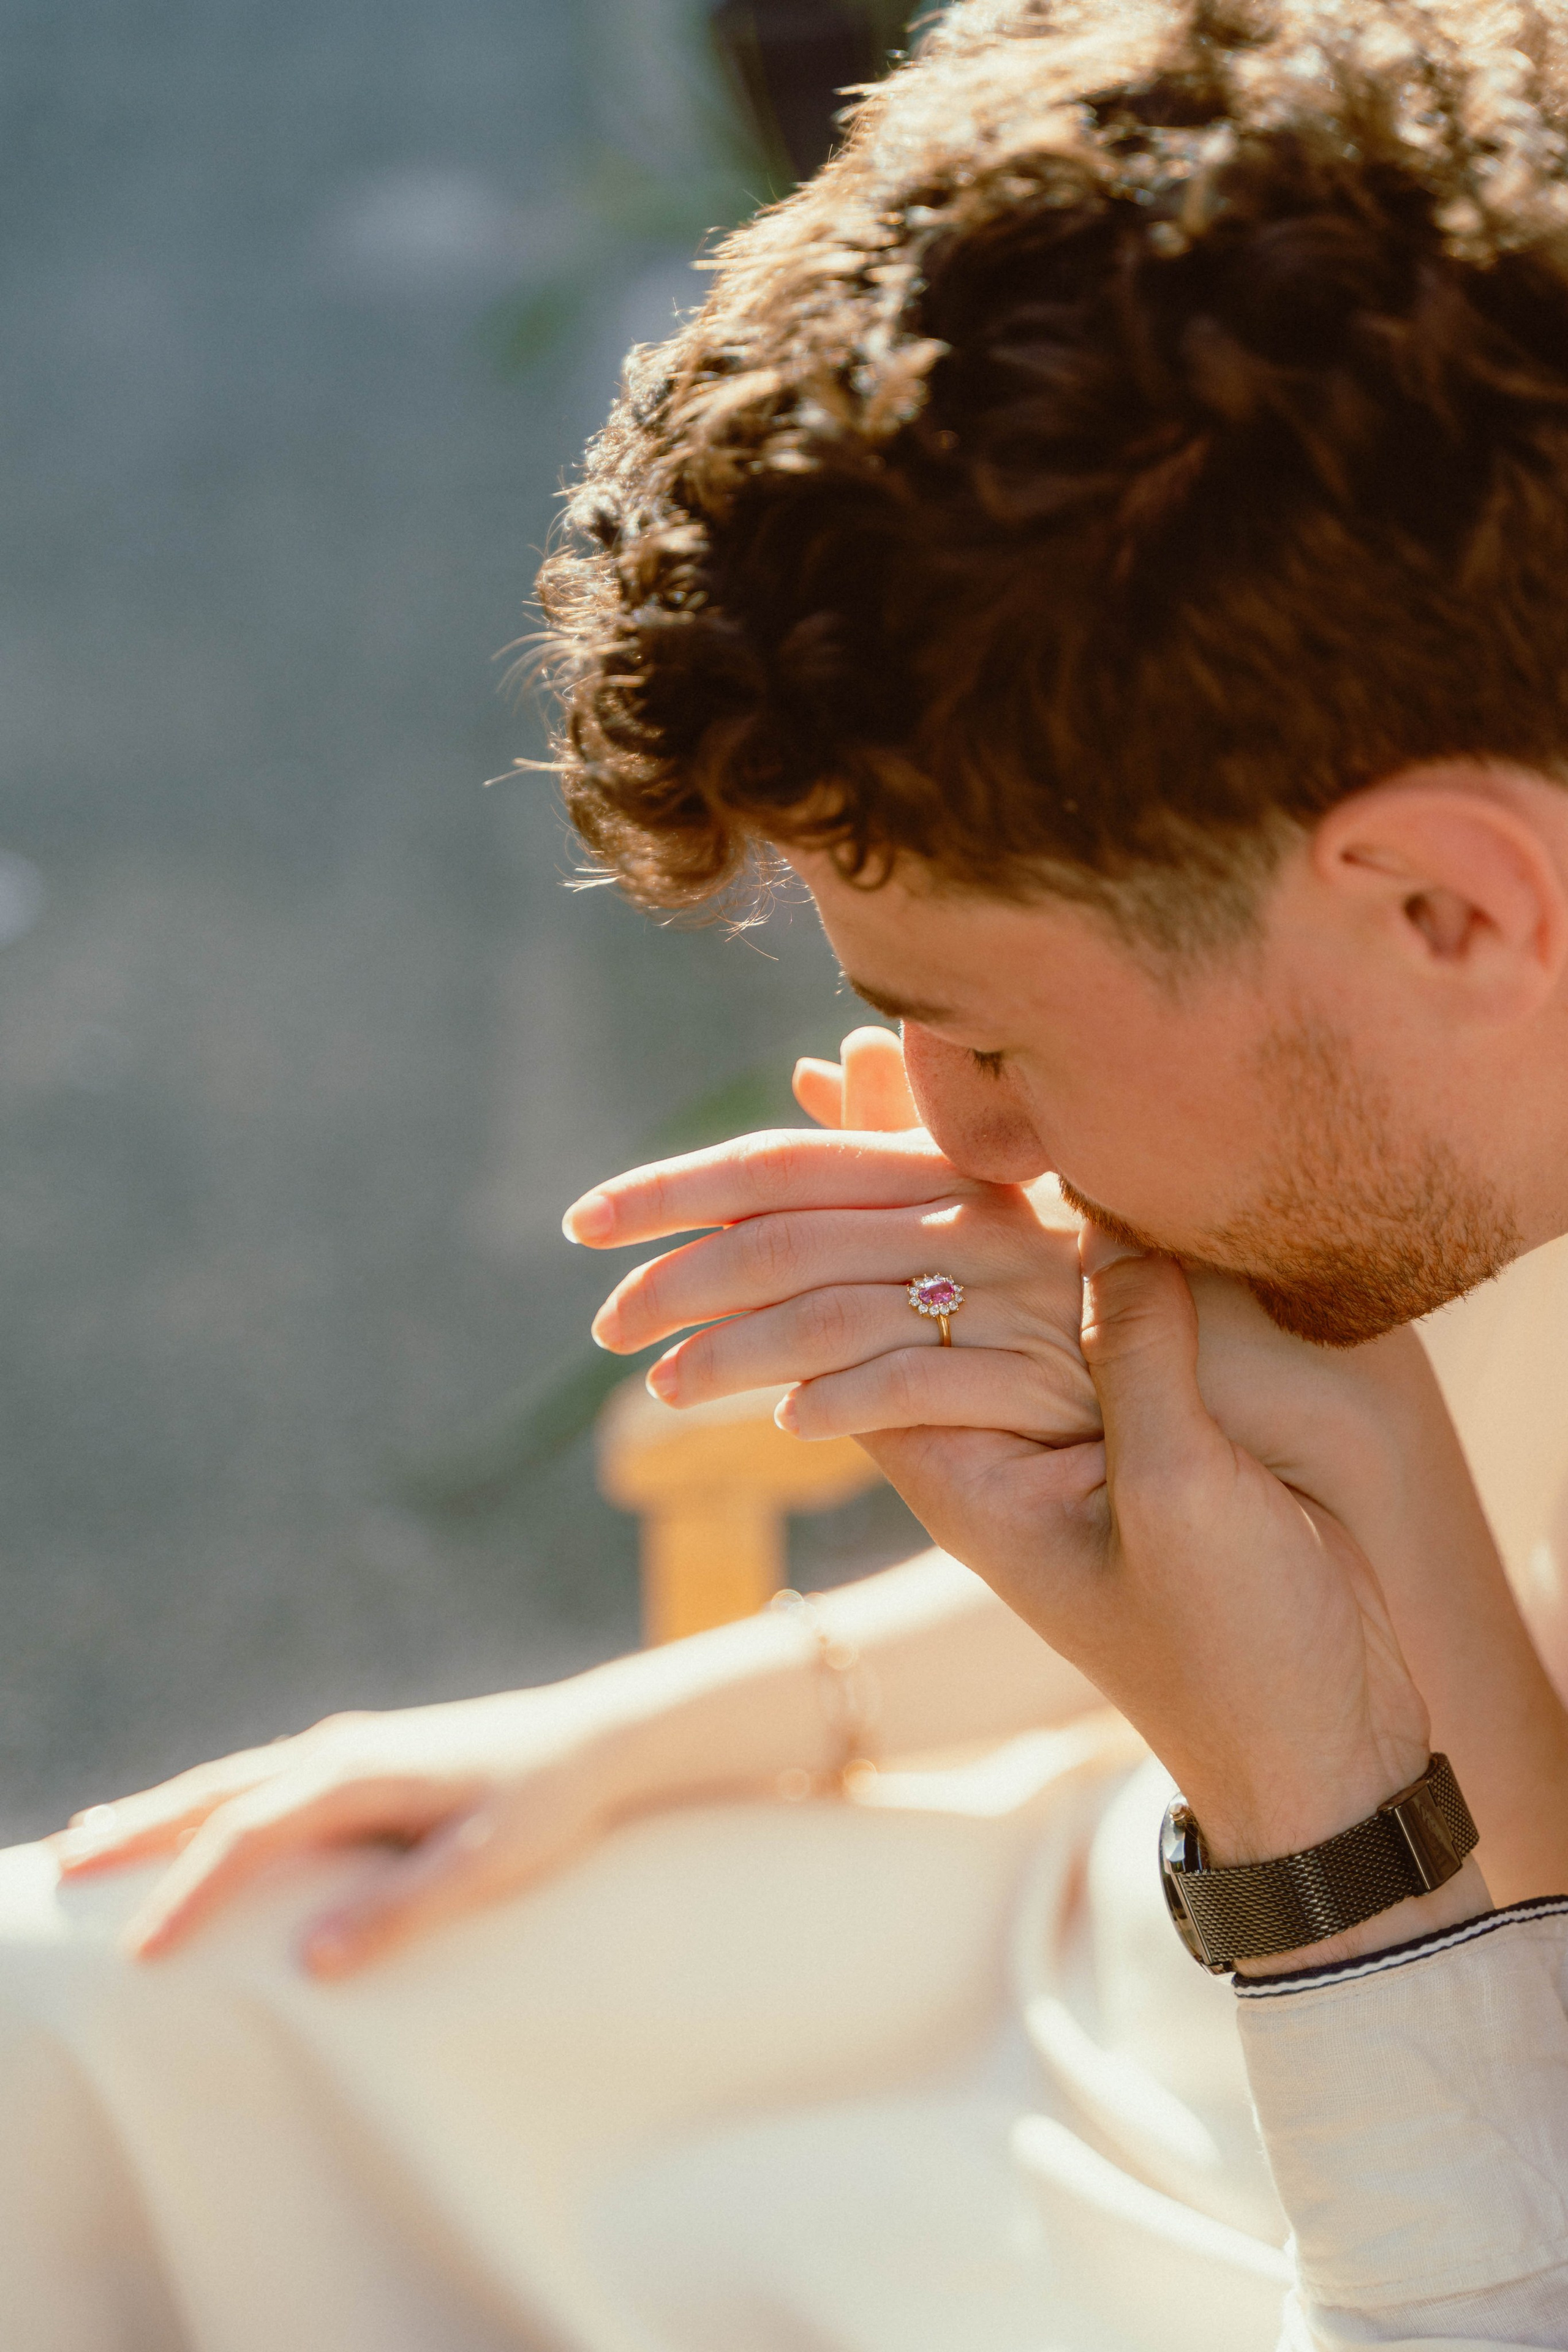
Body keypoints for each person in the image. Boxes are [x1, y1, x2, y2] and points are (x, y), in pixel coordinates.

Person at [14, 0, 1568, 2340]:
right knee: (74, 2007)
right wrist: (663, 1727)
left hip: (1395, 2151)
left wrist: (1316, 1801)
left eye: (993, 1034)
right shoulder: (1453, 1058)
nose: (960, 1136)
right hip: (1095, 1953)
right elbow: (1476, 1589)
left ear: (1448, 905)